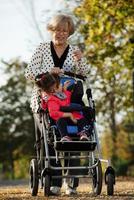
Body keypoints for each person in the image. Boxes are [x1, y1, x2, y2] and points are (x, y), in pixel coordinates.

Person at [25, 14, 89, 195]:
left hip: (68, 102)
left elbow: (85, 73)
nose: (60, 33)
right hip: (44, 102)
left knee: (74, 137)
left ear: (69, 32)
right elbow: (29, 73)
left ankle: (71, 184)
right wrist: (47, 72)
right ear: (51, 30)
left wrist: (81, 60)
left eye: (64, 30)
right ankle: (53, 181)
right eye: (57, 30)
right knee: (50, 139)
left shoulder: (74, 49)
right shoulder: (42, 48)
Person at [36, 73, 90, 142]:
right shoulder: (51, 99)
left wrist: (65, 90)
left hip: (72, 117)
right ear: (52, 90)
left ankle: (83, 134)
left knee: (83, 119)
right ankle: (65, 136)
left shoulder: (57, 94)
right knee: (60, 121)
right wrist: (69, 115)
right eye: (58, 86)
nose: (61, 85)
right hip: (62, 118)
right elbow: (54, 113)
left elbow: (66, 102)